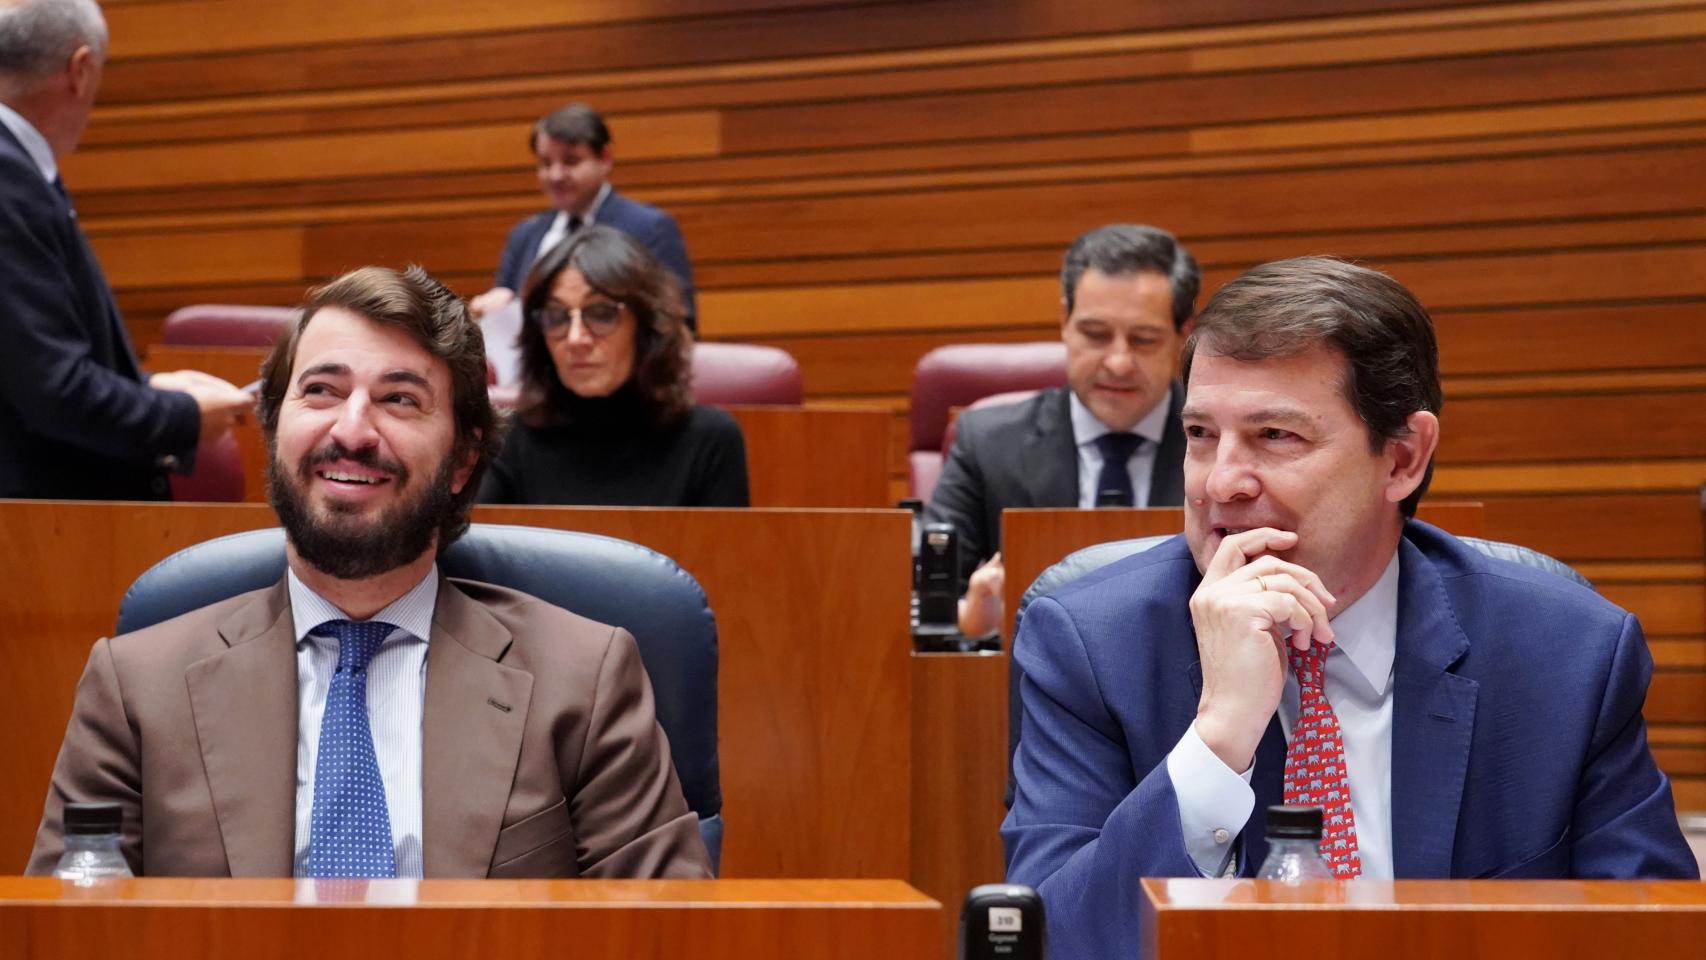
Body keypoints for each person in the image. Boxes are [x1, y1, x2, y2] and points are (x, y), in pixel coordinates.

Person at [1001, 256, 1698, 954]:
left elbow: (1651, 935)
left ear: (1402, 459)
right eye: (1201, 434)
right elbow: (1055, 940)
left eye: (1276, 436)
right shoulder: (1091, 643)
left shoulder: (1568, 656)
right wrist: (1217, 738)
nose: (1222, 482)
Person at [27, 264, 712, 879]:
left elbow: (666, 940)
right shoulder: (135, 689)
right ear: (274, 428)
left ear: (465, 462)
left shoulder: (584, 680)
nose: (351, 430)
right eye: (321, 390)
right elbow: (66, 940)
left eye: (400, 399)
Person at [0, 0, 251, 500]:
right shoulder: (8, 177)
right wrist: (182, 416)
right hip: (40, 531)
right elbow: (52, 392)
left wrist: (146, 386)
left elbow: (20, 356)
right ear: (80, 69)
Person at [925, 223, 1198, 636]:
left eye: (1143, 339)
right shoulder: (987, 443)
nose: (1118, 362)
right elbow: (929, 604)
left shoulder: (1220, 444)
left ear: (1183, 332)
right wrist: (970, 619)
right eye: (1095, 334)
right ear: (1064, 322)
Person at [478, 225, 748, 507]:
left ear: (646, 327)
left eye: (601, 314)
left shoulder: (710, 441)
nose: (575, 338)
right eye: (557, 316)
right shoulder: (508, 441)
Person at [469, 102, 698, 332]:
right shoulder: (524, 235)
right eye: (546, 163)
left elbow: (679, 323)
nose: (555, 175)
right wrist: (500, 308)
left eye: (571, 161)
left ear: (605, 158)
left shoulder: (649, 228)